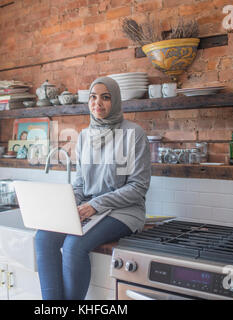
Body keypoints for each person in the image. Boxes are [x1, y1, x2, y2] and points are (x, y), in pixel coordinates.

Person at [34, 76, 151, 300]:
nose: (98, 103)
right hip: (91, 209)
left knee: (73, 245)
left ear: (115, 100)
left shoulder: (133, 134)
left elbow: (138, 187)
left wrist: (96, 204)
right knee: (43, 238)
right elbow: (81, 184)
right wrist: (66, 204)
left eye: (105, 97)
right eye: (93, 97)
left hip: (124, 212)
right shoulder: (86, 135)